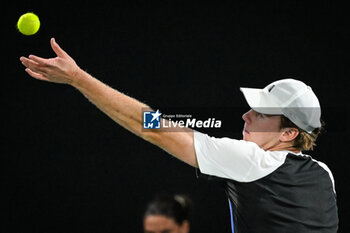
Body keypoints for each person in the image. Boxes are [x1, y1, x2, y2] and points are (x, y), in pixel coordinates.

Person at [20, 38, 338, 233]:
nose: (246, 116)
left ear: (289, 133)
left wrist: (78, 78)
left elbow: (154, 128)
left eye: (262, 114)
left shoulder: (252, 162)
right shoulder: (324, 176)